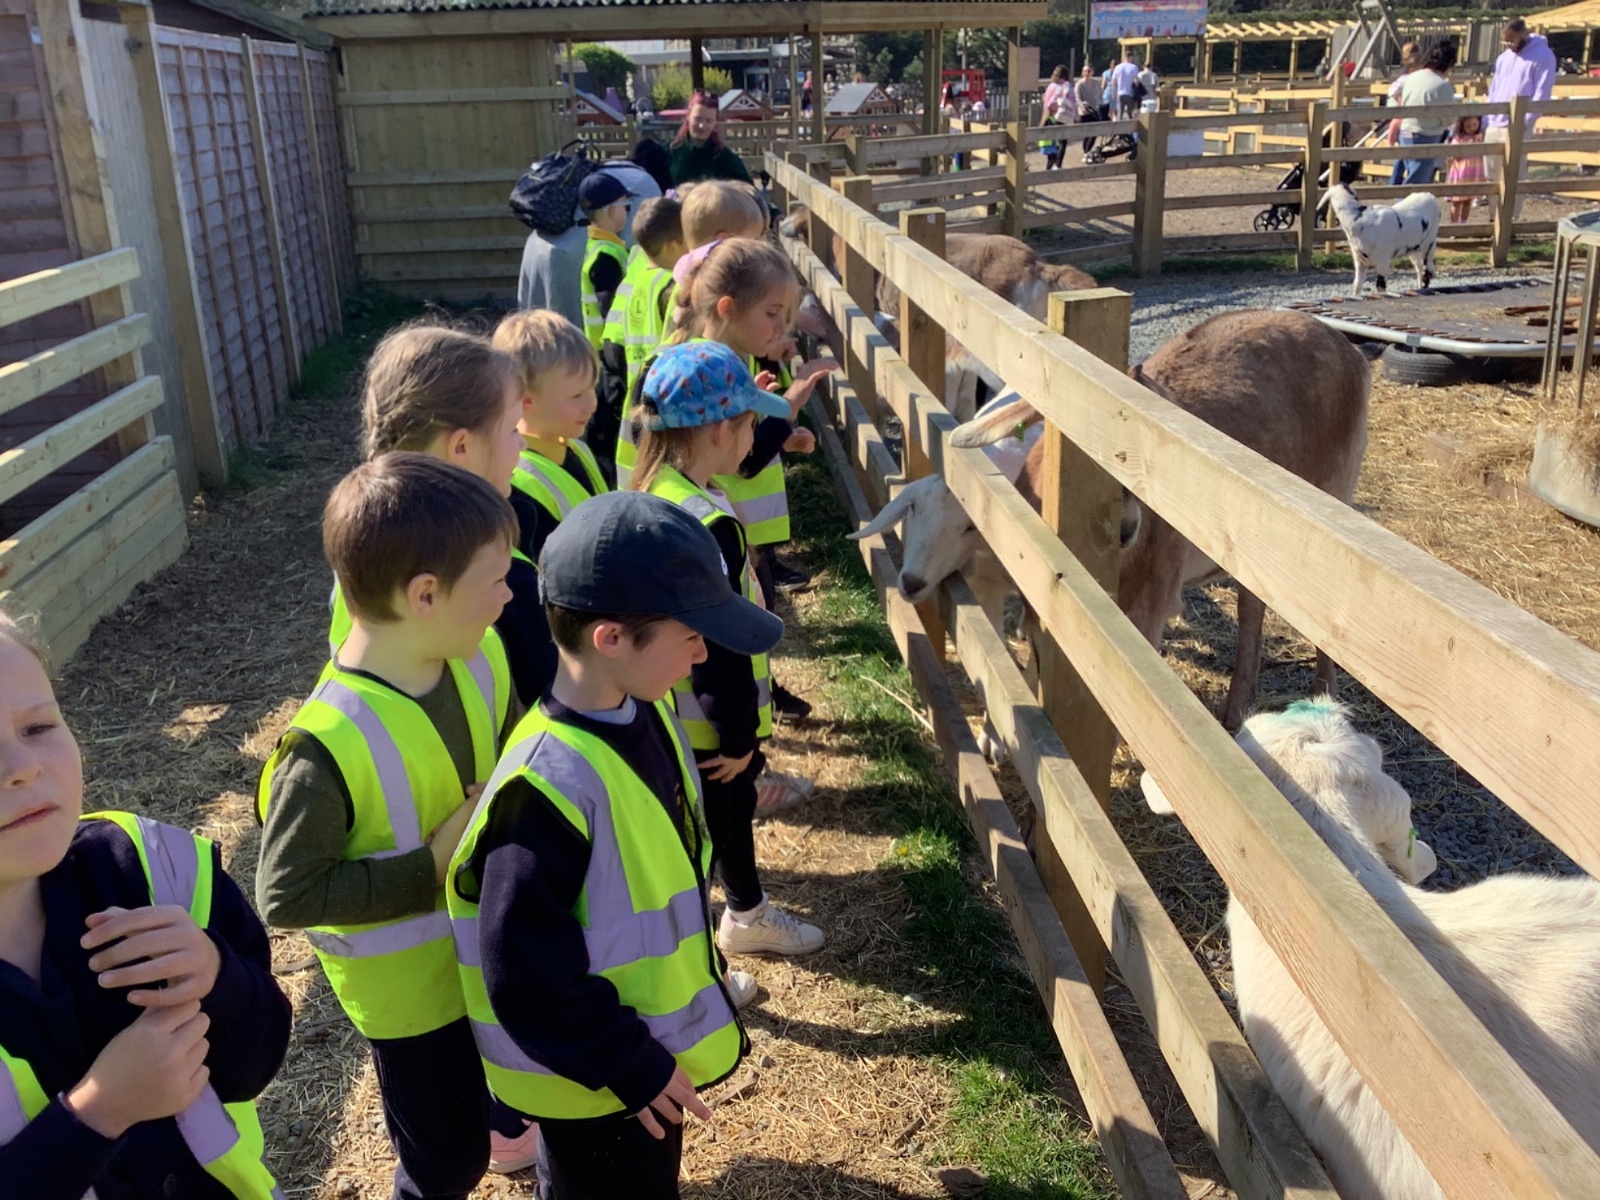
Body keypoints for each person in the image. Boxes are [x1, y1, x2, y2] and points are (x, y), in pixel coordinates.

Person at [446, 488, 781, 1199]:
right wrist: (630, 1063)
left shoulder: (641, 711)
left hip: (635, 1061)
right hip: (596, 1082)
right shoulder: (544, 789)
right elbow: (522, 970)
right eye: (689, 634)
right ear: (611, 638)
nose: (703, 650)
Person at [256, 454, 520, 1200]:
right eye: (496, 580)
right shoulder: (324, 747)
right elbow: (287, 894)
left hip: (488, 959)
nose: (510, 595)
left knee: (498, 1115)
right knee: (448, 1162)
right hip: (413, 1006)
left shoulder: (480, 657)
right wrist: (429, 867)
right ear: (426, 595)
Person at [0, 613, 291, 1200]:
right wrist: (101, 1111)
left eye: (37, 727)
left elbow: (258, 1058)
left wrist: (218, 977)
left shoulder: (153, 869)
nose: (22, 767)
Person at [629, 341, 827, 964]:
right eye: (749, 425)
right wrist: (739, 735)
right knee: (723, 819)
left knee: (703, 822)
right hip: (711, 727)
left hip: (670, 714)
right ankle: (737, 921)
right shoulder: (707, 524)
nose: (753, 440)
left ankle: (737, 912)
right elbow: (721, 647)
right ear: (719, 431)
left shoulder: (660, 490)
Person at [351, 323, 555, 710]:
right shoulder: (493, 580)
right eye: (513, 429)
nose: (522, 443)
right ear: (461, 446)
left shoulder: (362, 547)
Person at [491, 310, 611, 565]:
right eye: (576, 396)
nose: (592, 404)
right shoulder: (516, 482)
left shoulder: (577, 448)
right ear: (526, 401)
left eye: (592, 388)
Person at [599, 196, 686, 485]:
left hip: (635, 394)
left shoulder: (636, 275)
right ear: (673, 245)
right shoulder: (675, 287)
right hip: (666, 399)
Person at [1485, 18, 1557, 219]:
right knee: (1491, 174)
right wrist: (1488, 117)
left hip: (1518, 124)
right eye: (1506, 42)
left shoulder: (1543, 56)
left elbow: (1542, 93)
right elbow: (1495, 88)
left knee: (1513, 174)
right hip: (1495, 123)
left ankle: (1510, 219)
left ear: (1523, 35)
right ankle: (1493, 217)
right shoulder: (1504, 58)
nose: (1509, 45)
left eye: (1512, 41)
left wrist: (1525, 122)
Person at [1387, 41, 1458, 187]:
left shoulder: (1410, 78)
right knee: (1417, 182)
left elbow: (1396, 101)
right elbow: (1450, 118)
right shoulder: (1441, 85)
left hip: (1405, 132)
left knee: (1411, 173)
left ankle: (1399, 196)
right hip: (1425, 135)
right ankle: (1403, 201)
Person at [577, 173, 630, 352]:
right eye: (626, 206)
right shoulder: (606, 257)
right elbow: (610, 310)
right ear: (613, 210)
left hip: (602, 347)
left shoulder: (595, 246)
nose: (627, 212)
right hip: (610, 348)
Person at [670, 89, 752, 187]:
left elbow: (748, 188)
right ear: (688, 117)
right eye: (697, 119)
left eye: (708, 121)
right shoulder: (669, 153)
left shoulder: (725, 157)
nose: (701, 126)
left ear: (715, 122)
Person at [1447, 113, 1487, 223]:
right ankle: (1454, 225)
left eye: (1474, 125)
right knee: (1457, 201)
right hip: (1461, 173)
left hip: (1473, 173)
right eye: (1468, 126)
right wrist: (1466, 147)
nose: (1471, 128)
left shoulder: (1479, 137)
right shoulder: (1458, 138)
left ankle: (1463, 223)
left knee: (1467, 201)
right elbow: (1454, 155)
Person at [1110, 50, 1141, 119]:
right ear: (1131, 57)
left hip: (1120, 93)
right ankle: (1129, 122)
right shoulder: (1133, 67)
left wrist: (1113, 92)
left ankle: (1119, 123)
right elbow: (1136, 81)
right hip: (1130, 93)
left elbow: (1113, 81)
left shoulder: (1118, 67)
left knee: (1120, 112)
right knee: (1130, 113)